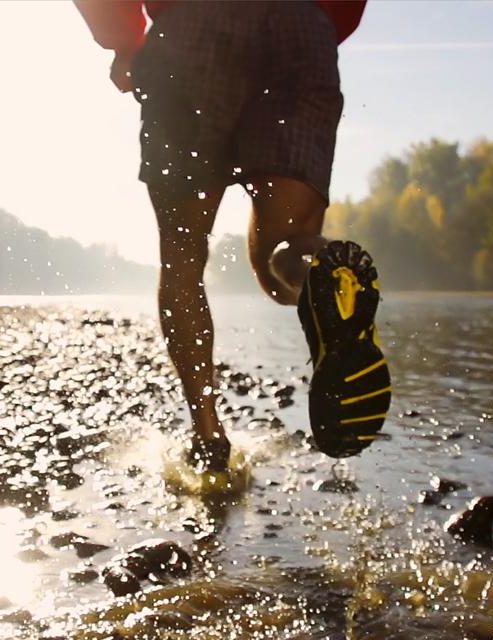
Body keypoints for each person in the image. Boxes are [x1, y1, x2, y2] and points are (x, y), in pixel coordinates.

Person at [74, 0, 391, 472]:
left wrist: (123, 41)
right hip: (300, 24)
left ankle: (208, 436)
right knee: (283, 253)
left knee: (183, 255)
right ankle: (322, 275)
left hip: (192, 32)